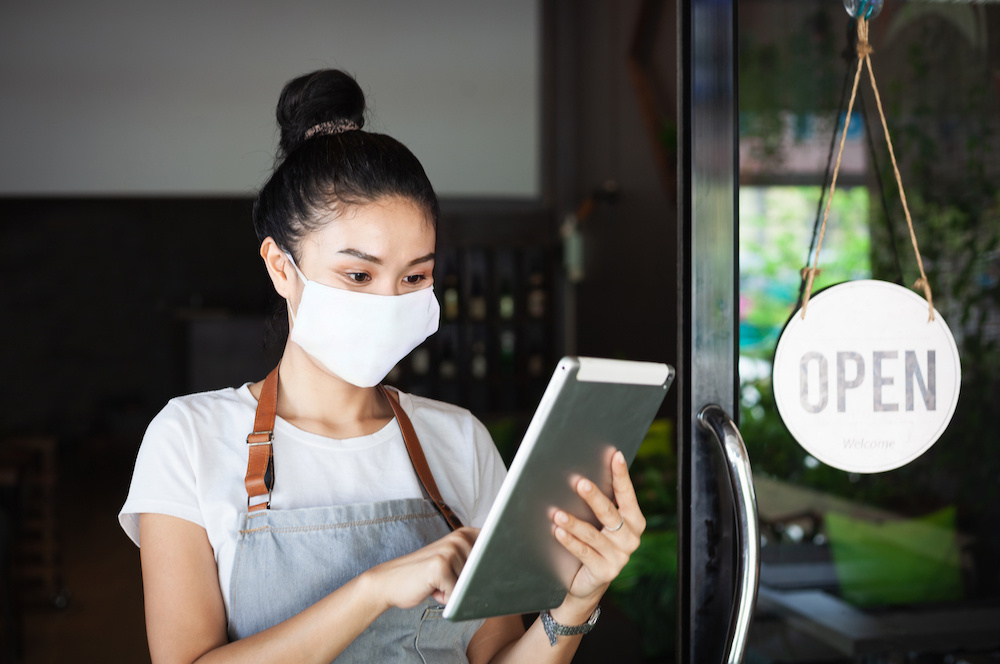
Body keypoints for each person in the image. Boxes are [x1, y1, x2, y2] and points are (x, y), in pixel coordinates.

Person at [119, 69, 646, 664]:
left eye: (414, 276)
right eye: (358, 275)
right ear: (280, 267)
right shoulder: (187, 438)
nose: (388, 301)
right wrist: (372, 591)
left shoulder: (459, 440)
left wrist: (576, 604)